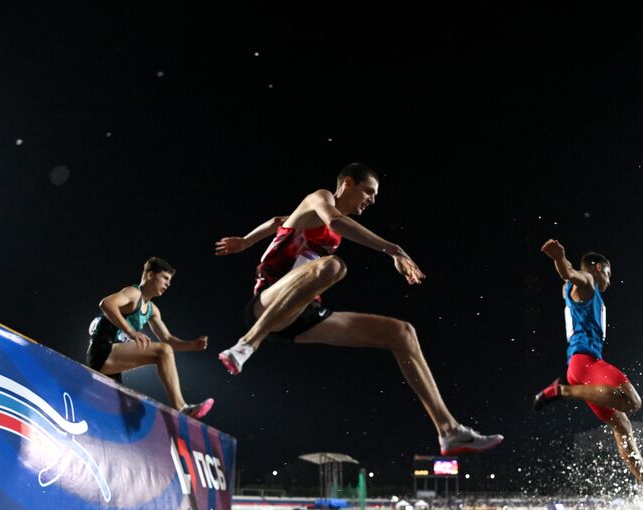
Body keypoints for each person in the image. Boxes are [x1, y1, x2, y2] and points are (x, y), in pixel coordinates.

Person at [213, 163, 502, 456]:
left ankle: (449, 430)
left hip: (302, 314)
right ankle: (247, 343)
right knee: (333, 266)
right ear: (347, 183)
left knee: (402, 333)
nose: (372, 200)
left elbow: (278, 221)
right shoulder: (320, 197)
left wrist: (247, 240)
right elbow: (335, 221)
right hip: (267, 302)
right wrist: (393, 249)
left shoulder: (317, 223)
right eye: (369, 191)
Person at [530, 239, 643, 500]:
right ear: (596, 267)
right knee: (633, 402)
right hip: (586, 363)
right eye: (608, 273)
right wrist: (559, 257)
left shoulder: (577, 290)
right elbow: (570, 273)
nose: (609, 281)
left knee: (623, 426)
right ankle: (562, 391)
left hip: (579, 368)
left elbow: (569, 277)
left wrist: (566, 267)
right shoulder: (588, 283)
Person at [87, 257, 213, 419]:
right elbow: (106, 304)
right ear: (150, 275)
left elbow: (167, 339)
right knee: (163, 351)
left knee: (130, 414)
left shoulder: (152, 310)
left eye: (170, 280)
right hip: (102, 352)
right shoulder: (134, 294)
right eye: (165, 278)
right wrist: (131, 332)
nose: (168, 284)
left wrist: (192, 345)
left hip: (114, 362)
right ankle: (182, 407)